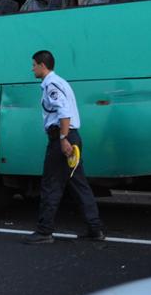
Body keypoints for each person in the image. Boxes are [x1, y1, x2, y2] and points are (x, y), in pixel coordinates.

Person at [22, 50, 105, 244]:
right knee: (79, 185)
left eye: (34, 65)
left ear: (43, 65)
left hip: (62, 138)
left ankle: (44, 231)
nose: (32, 69)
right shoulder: (61, 82)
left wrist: (62, 138)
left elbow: (64, 112)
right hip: (71, 136)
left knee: (51, 185)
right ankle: (95, 229)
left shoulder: (51, 85)